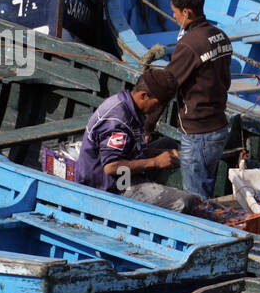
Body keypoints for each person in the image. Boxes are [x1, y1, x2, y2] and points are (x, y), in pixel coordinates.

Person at [76, 69, 204, 215]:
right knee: (184, 201)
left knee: (169, 145)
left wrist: (162, 154)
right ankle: (151, 203)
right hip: (111, 186)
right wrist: (156, 162)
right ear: (144, 96)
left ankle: (153, 192)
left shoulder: (130, 105)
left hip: (124, 172)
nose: (159, 110)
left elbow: (132, 148)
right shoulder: (117, 120)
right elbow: (111, 168)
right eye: (158, 105)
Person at [165, 0, 233, 201]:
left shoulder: (188, 45)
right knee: (206, 188)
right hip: (219, 127)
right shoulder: (220, 36)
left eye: (175, 12)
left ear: (187, 12)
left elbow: (167, 83)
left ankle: (201, 231)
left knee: (195, 199)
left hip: (197, 134)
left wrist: (147, 125)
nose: (173, 16)